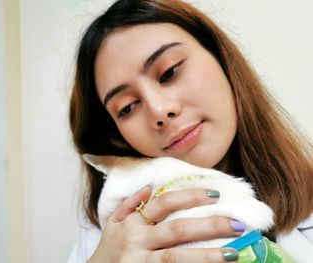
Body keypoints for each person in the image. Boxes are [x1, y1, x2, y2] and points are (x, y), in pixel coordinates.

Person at [68, 0, 313, 262]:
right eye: (127, 107)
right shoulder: (109, 235)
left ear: (220, 56)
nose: (160, 110)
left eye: (170, 72)